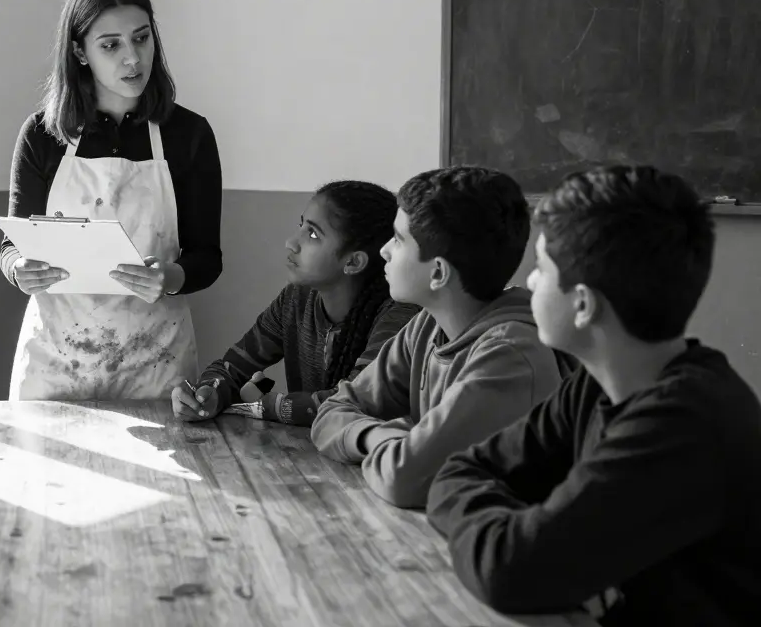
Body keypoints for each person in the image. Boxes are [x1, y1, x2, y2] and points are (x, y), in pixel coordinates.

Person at [426, 165, 761, 626]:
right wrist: (514, 529)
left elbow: (510, 572)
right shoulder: (597, 382)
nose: (528, 284)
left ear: (583, 305)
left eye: (542, 269)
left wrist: (509, 531)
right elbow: (462, 469)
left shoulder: (683, 423)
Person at [0, 0, 223, 400]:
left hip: (155, 360)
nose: (133, 59)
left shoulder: (188, 135)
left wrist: (171, 276)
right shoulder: (42, 136)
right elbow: (12, 245)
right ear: (79, 52)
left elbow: (208, 258)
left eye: (141, 38)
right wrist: (19, 270)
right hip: (57, 360)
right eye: (110, 45)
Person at [311, 166, 564, 508]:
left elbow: (403, 479)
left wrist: (387, 443)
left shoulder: (510, 355)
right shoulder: (428, 326)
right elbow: (333, 410)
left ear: (438, 273)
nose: (384, 251)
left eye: (398, 240)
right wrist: (377, 433)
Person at [173, 180, 417, 426]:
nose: (291, 242)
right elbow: (231, 368)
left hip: (374, 461)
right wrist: (208, 394)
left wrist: (268, 405)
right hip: (305, 457)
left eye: (312, 234)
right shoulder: (296, 299)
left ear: (353, 262)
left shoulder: (399, 317)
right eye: (301, 225)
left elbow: (354, 403)